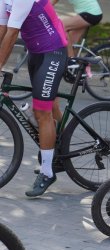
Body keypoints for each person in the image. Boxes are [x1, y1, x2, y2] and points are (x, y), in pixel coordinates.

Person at [0, 0, 68, 196]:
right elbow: (2, 29)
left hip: (53, 51)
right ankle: (62, 144)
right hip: (36, 52)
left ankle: (47, 172)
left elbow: (12, 34)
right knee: (51, 107)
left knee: (42, 111)